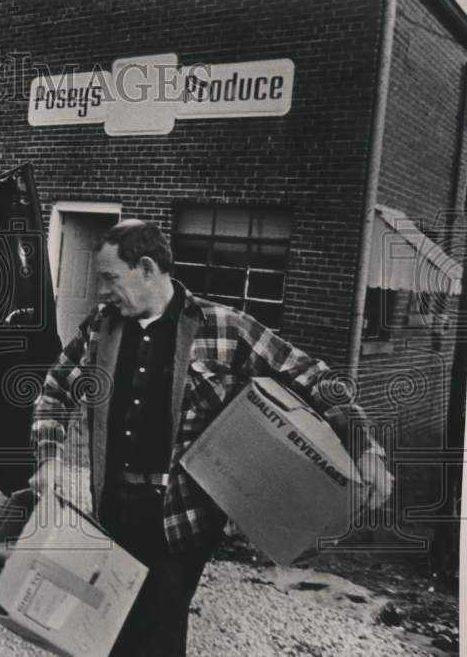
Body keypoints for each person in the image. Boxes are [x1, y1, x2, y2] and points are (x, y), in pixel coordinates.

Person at [30, 219, 392, 657]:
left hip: (181, 521)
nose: (103, 290)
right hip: (112, 511)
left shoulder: (224, 327)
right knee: (106, 633)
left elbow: (316, 380)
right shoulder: (99, 328)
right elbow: (53, 392)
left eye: (110, 278)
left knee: (158, 641)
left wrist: (366, 448)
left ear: (147, 268)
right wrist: (48, 460)